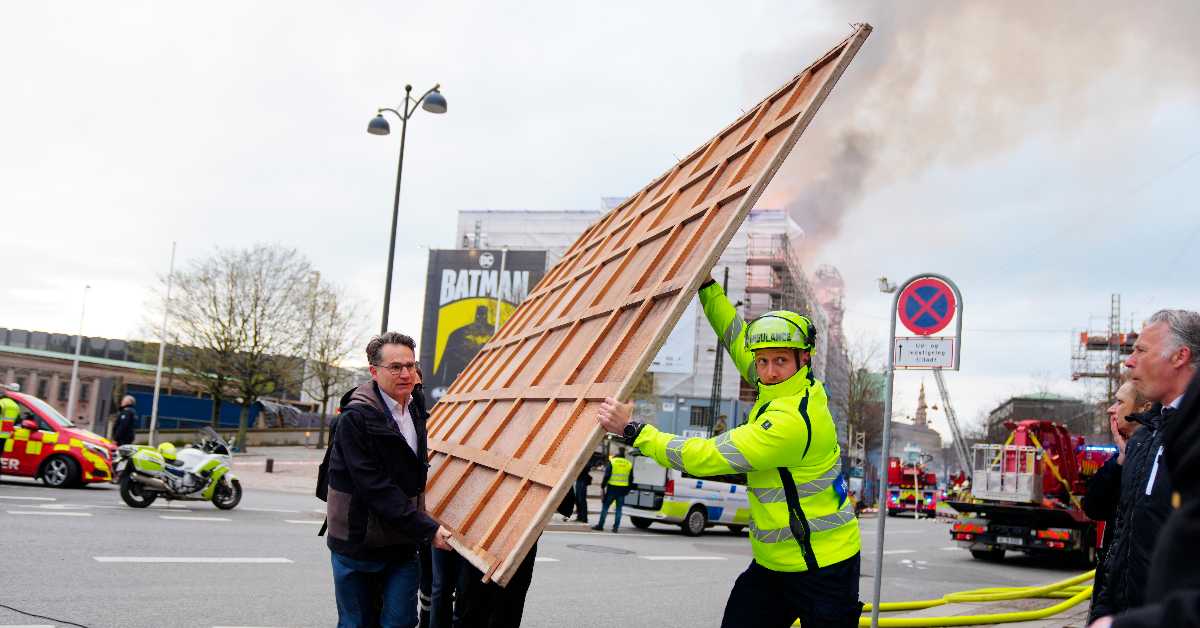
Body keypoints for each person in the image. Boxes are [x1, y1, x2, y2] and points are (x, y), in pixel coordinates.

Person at [597, 278, 861, 628]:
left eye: (779, 360)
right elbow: (736, 336)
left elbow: (703, 457)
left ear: (804, 357)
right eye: (762, 361)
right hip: (773, 565)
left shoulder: (792, 421)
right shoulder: (784, 385)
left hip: (824, 567)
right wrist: (707, 287)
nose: (767, 372)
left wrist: (634, 431)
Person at [325, 332, 453, 628]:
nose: (406, 373)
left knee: (400, 623)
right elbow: (374, 487)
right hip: (357, 544)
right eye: (395, 367)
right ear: (374, 371)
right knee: (357, 624)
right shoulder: (354, 419)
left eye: (410, 365)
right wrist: (427, 528)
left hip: (402, 544)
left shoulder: (416, 407)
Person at [1089, 309, 1199, 626]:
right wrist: (1105, 613)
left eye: (1141, 350)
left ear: (1180, 356)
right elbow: (1121, 537)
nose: (1129, 361)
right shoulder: (1144, 438)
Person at [1084, 380, 1149, 622]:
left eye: (1120, 402)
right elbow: (1093, 507)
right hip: (1111, 581)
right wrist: (1122, 459)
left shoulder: (1156, 455)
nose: (1111, 409)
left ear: (1144, 408)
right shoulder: (1124, 456)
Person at [591, 447, 633, 533]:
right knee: (619, 509)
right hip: (622, 490)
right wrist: (628, 489)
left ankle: (600, 525)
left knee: (605, 507)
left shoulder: (613, 462)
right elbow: (631, 478)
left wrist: (603, 486)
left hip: (612, 488)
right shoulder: (629, 464)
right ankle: (615, 528)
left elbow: (607, 475)